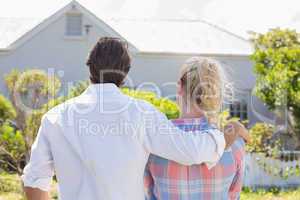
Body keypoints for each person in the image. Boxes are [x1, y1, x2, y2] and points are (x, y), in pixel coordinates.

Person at [22, 37, 248, 200]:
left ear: (89, 67)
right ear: (126, 72)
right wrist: (229, 132)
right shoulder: (142, 114)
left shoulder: (55, 118)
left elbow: (33, 181)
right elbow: (193, 151)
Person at [144, 57, 249, 200]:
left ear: (180, 86)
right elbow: (234, 195)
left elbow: (147, 192)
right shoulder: (235, 144)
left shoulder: (155, 140)